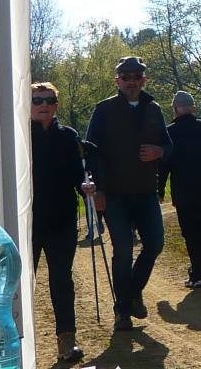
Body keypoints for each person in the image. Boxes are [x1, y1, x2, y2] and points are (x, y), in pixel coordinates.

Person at [84, 56, 172, 331]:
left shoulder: (154, 109)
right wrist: (96, 190)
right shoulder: (104, 110)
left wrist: (160, 151)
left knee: (155, 244)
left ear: (144, 79)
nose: (132, 82)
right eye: (126, 77)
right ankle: (122, 310)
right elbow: (90, 152)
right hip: (114, 195)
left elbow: (169, 147)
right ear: (118, 80)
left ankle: (132, 292)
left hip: (146, 193)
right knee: (122, 250)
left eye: (137, 77)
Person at [30, 82, 87, 363]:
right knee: (20, 282)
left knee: (62, 281)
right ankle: (14, 343)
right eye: (36, 99)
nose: (43, 104)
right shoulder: (17, 137)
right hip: (27, 223)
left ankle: (67, 341)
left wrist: (88, 188)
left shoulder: (69, 136)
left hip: (62, 220)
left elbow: (79, 175)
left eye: (48, 99)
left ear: (56, 104)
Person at [158, 89, 201, 288]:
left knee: (189, 229)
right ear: (193, 108)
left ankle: (197, 272)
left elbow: (164, 164)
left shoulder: (170, 132)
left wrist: (160, 188)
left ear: (175, 110)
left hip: (183, 189)